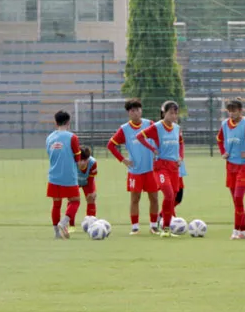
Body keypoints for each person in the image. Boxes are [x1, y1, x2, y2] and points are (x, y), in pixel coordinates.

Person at [107, 99, 160, 235]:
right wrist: (123, 160)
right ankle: (135, 227)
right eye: (132, 110)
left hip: (151, 169)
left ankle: (153, 226)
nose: (135, 113)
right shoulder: (124, 129)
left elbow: (160, 138)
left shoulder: (150, 124)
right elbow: (111, 145)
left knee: (154, 198)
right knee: (135, 199)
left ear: (141, 110)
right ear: (128, 113)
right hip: (135, 170)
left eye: (137, 110)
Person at [136, 100, 184, 237]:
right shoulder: (157, 127)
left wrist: (181, 157)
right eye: (171, 113)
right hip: (161, 167)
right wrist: (153, 149)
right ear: (164, 113)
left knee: (172, 197)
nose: (174, 116)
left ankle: (167, 229)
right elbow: (140, 136)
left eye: (175, 113)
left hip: (174, 167)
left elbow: (181, 143)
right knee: (168, 194)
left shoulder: (177, 128)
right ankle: (163, 226)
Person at [218, 98, 245, 239]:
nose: (231, 113)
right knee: (235, 200)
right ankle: (242, 231)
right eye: (229, 111)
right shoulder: (225, 124)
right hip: (230, 166)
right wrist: (223, 152)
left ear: (240, 110)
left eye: (234, 111)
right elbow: (219, 139)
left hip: (244, 167)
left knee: (238, 197)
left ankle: (236, 230)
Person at [46, 110, 81, 239]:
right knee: (75, 201)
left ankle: (56, 233)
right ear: (68, 122)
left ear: (56, 122)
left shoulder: (49, 138)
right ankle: (64, 222)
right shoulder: (72, 137)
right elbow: (77, 158)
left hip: (53, 176)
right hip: (68, 176)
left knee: (56, 204)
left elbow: (50, 155)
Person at [76, 146, 98, 220]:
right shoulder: (72, 161)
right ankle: (71, 224)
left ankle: (91, 222)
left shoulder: (93, 163)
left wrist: (91, 192)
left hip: (87, 181)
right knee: (73, 199)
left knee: (91, 198)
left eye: (85, 160)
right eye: (80, 159)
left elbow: (91, 179)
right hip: (75, 181)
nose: (82, 162)